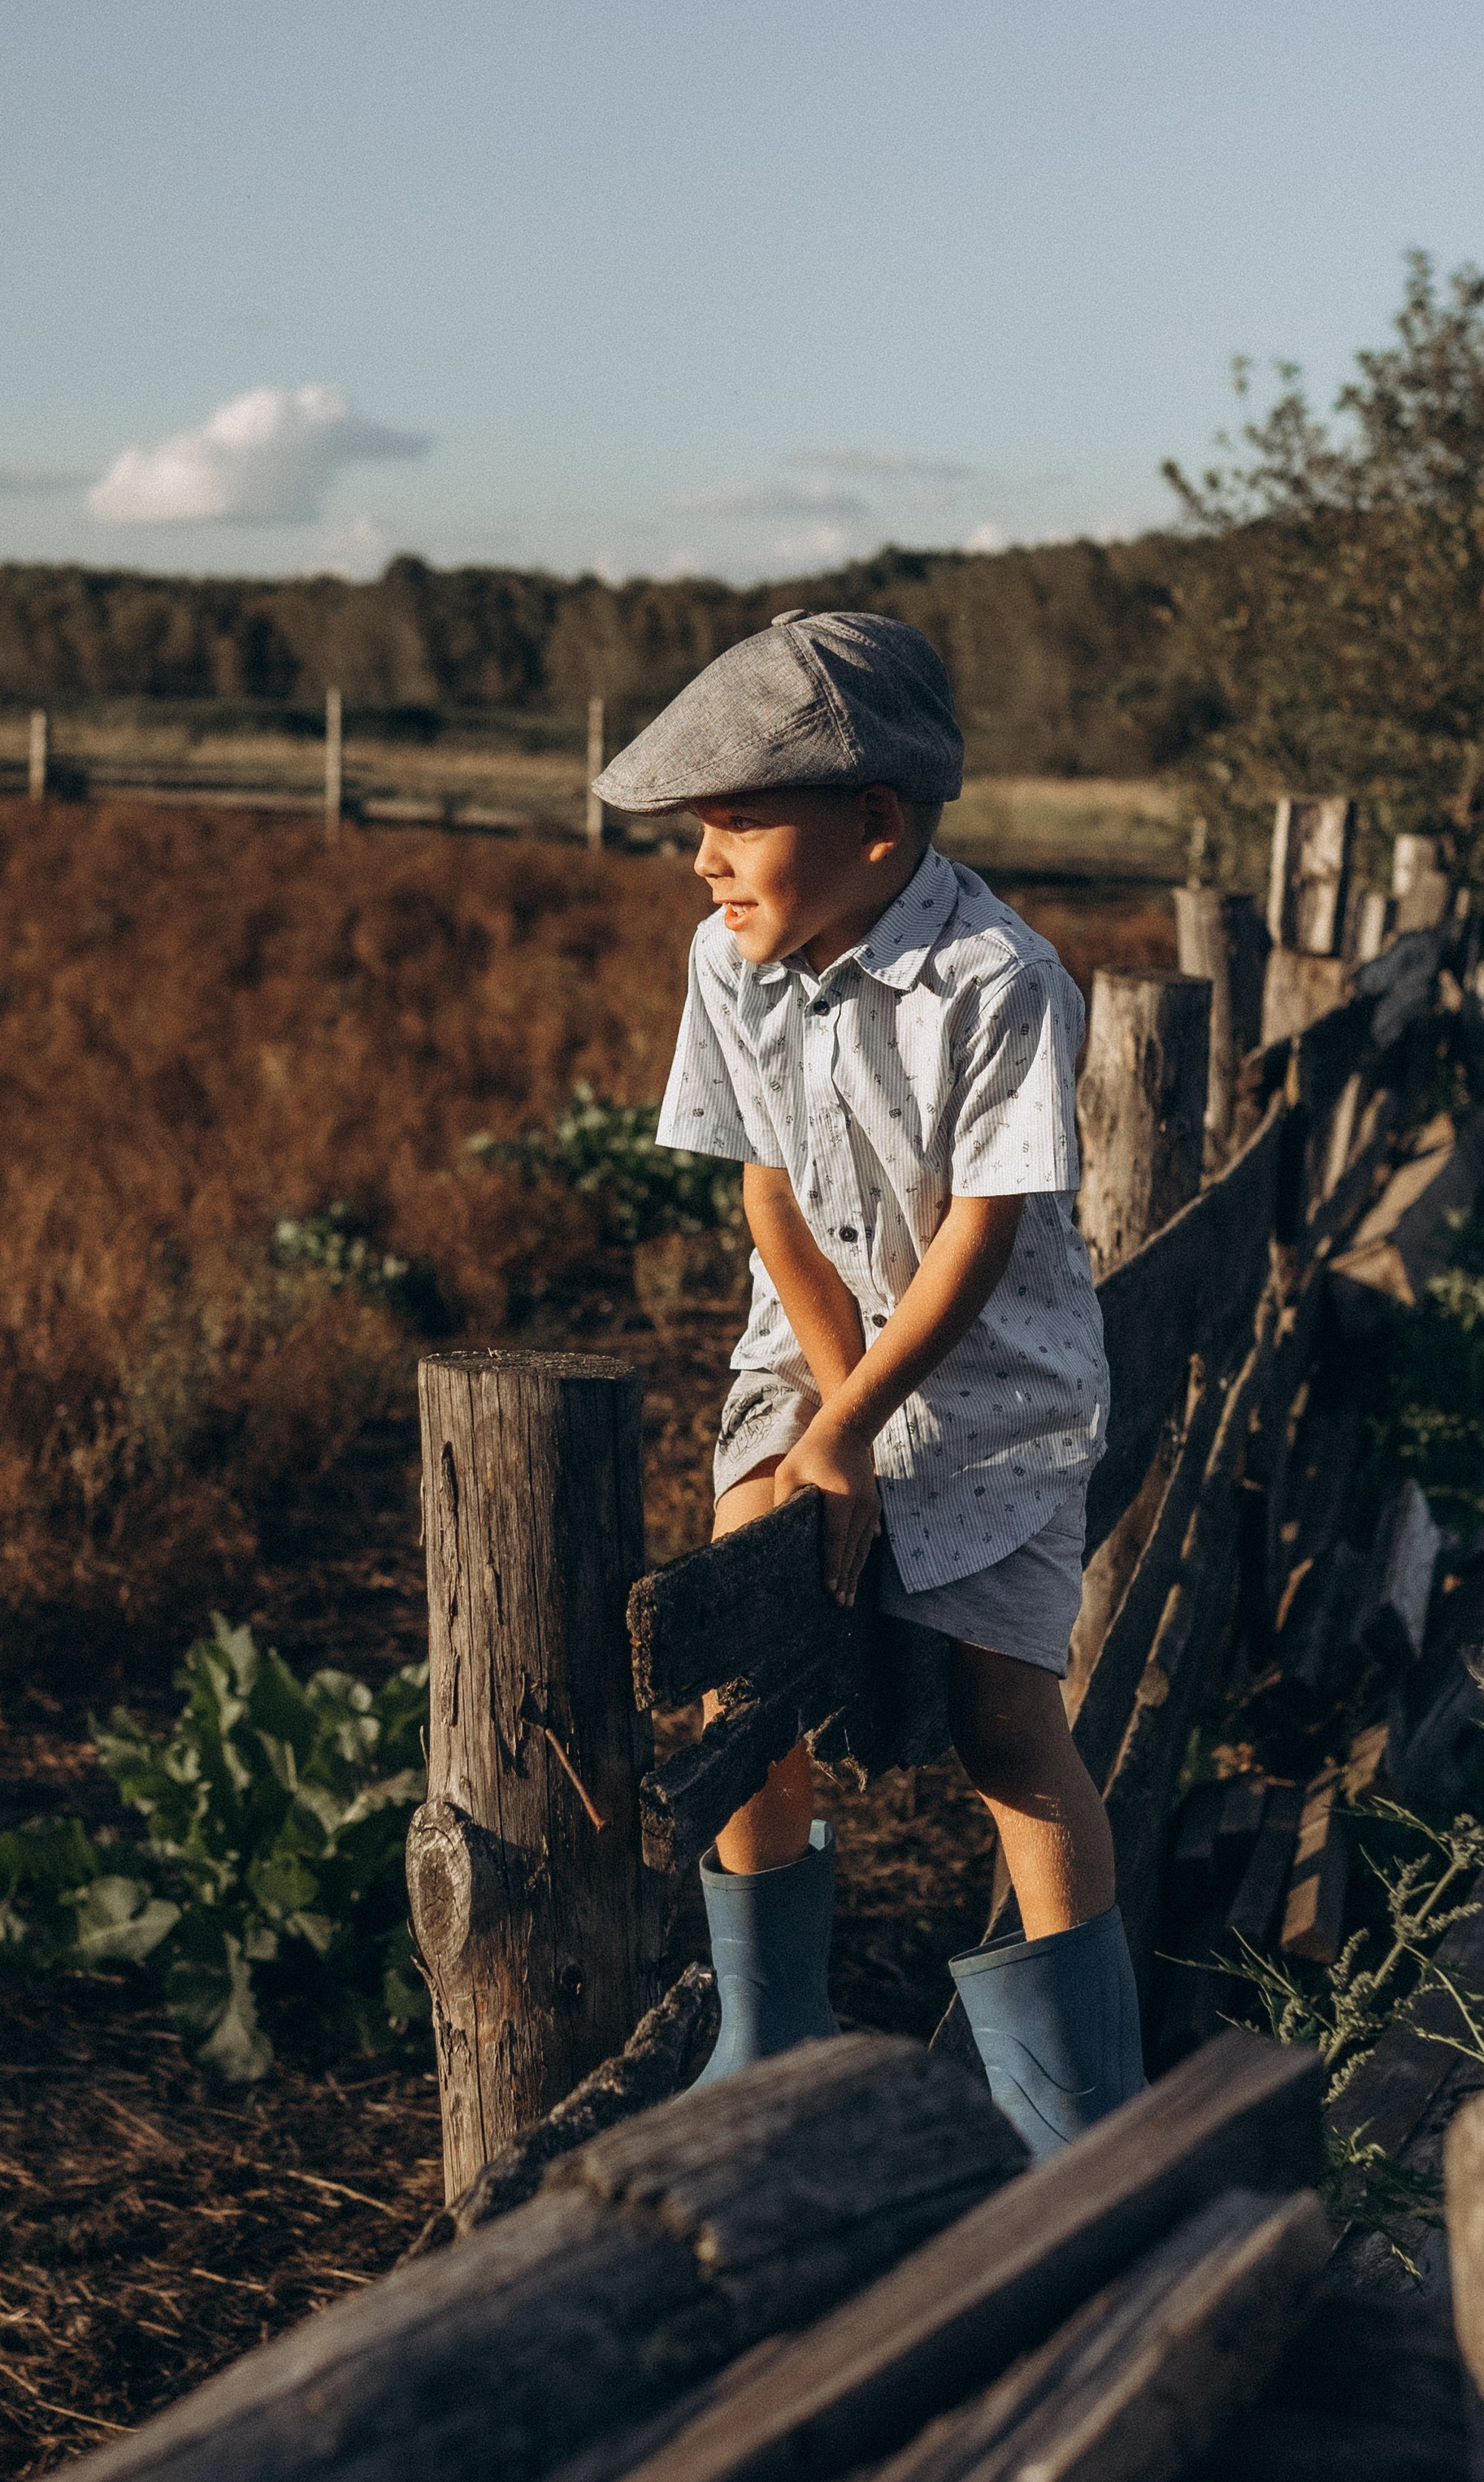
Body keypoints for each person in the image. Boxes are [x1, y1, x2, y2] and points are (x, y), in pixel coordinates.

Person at [592, 608, 1143, 2158]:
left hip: (999, 1387)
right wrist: (839, 1422)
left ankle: (1077, 2104)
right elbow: (768, 1193)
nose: (702, 862)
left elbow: (984, 1232)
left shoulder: (1000, 979)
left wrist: (880, 1429)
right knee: (746, 1626)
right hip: (815, 1349)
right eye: (692, 829)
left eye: (737, 823)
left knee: (1004, 1725)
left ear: (877, 824)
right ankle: (770, 2033)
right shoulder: (733, 958)